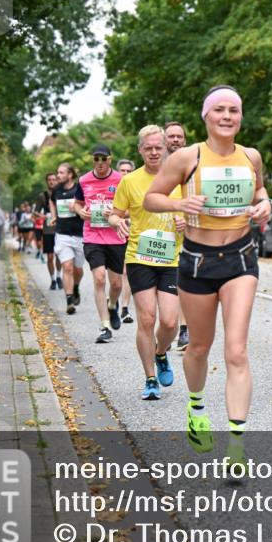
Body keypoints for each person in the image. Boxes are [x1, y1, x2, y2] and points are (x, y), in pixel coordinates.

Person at [145, 86, 271, 460]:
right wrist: (180, 202)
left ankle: (236, 444)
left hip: (241, 258)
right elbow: (152, 197)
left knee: (236, 350)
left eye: (234, 109)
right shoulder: (188, 157)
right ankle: (197, 407)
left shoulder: (251, 156)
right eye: (220, 109)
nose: (228, 116)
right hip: (198, 261)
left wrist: (262, 206)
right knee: (199, 347)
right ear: (206, 116)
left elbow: (261, 191)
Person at [109, 125, 181, 401]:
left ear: (165, 148)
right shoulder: (130, 181)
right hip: (139, 256)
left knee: (170, 322)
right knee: (147, 318)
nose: (153, 152)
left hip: (170, 258)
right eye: (148, 148)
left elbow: (192, 212)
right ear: (140, 149)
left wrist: (186, 221)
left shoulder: (178, 179)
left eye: (157, 147)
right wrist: (119, 222)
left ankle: (161, 352)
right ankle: (150, 378)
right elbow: (114, 214)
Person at [75, 145, 127, 344]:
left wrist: (116, 214)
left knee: (116, 283)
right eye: (96, 159)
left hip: (115, 237)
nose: (100, 163)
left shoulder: (121, 180)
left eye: (103, 159)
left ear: (110, 159)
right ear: (92, 160)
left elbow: (131, 208)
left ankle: (112, 304)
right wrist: (81, 212)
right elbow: (77, 203)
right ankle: (105, 326)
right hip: (92, 236)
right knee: (98, 278)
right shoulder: (84, 180)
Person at [164, 121, 191, 352]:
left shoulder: (194, 167)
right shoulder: (156, 168)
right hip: (158, 241)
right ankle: (163, 334)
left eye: (178, 136)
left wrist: (189, 221)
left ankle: (184, 331)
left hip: (187, 240)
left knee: (182, 285)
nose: (175, 140)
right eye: (170, 136)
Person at [50, 164, 85, 313]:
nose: (58, 175)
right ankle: (69, 300)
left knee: (78, 269)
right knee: (67, 267)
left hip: (79, 234)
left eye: (61, 172)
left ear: (70, 175)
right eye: (58, 172)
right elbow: (51, 201)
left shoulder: (79, 189)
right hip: (62, 234)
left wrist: (78, 207)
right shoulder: (56, 190)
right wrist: (53, 216)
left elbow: (87, 205)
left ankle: (76, 287)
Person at [116, 159, 136, 323]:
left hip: (130, 234)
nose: (125, 174)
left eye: (129, 171)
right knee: (114, 276)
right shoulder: (111, 187)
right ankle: (112, 301)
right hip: (110, 237)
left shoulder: (135, 187)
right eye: (123, 170)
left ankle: (124, 308)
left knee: (125, 272)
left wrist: (122, 213)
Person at [40, 173, 61, 289]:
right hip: (48, 230)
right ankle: (52, 279)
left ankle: (58, 276)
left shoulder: (61, 193)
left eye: (54, 179)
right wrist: (43, 215)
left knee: (59, 256)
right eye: (49, 180)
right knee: (50, 257)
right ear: (47, 182)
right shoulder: (42, 196)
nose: (52, 182)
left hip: (60, 229)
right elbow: (35, 212)